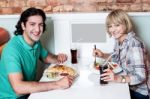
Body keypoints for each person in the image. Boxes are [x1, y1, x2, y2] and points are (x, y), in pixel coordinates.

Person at [0, 7, 74, 99]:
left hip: (29, 93)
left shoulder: (36, 42)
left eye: (41, 25)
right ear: (23, 25)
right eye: (32, 24)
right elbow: (18, 88)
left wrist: (58, 57)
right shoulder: (12, 50)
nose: (38, 29)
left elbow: (46, 57)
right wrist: (57, 84)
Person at [93, 9, 150, 99]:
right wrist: (103, 55)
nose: (113, 29)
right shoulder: (119, 40)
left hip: (139, 92)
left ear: (126, 24)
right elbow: (116, 57)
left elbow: (141, 76)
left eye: (117, 25)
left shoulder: (134, 44)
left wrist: (117, 78)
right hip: (126, 86)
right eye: (110, 26)